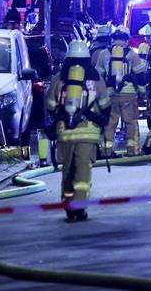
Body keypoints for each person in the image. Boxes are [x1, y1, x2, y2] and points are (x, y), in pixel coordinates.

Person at [46, 40, 110, 222]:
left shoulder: (59, 78)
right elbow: (105, 104)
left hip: (64, 132)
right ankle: (80, 207)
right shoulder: (95, 78)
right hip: (88, 133)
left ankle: (68, 203)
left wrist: (61, 116)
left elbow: (50, 105)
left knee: (67, 169)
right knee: (83, 171)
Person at [98, 26, 147, 157]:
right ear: (126, 39)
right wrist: (142, 93)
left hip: (110, 94)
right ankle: (133, 150)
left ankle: (106, 151)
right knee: (131, 122)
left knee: (110, 123)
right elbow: (140, 76)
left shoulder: (104, 54)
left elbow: (98, 76)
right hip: (128, 93)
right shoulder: (132, 54)